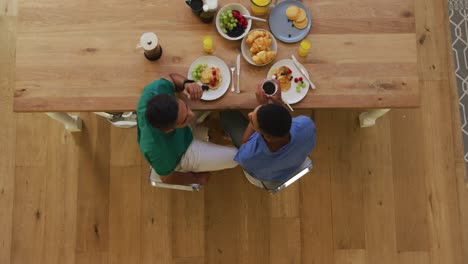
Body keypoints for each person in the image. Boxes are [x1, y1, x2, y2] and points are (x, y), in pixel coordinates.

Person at [137, 73, 237, 185]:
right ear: (169, 130)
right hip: (182, 153)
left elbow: (172, 78)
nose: (192, 115)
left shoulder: (154, 91)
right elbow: (167, 179)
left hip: (182, 132)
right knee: (235, 157)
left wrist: (187, 83)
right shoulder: (157, 151)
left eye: (186, 107)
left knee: (214, 97)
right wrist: (196, 179)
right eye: (185, 119)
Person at [220, 80, 316, 183]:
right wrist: (279, 101)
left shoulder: (248, 157)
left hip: (269, 175)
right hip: (293, 163)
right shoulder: (306, 125)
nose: (249, 114)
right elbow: (287, 119)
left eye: (252, 120)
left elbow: (244, 144)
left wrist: (262, 106)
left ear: (267, 137)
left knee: (227, 115)